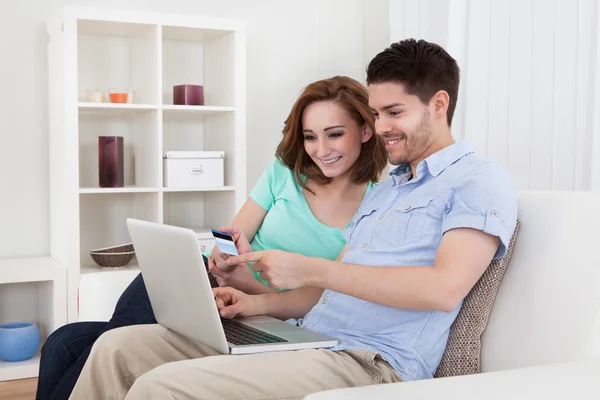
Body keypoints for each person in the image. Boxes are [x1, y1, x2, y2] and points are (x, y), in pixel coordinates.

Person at [68, 38, 518, 400]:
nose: (381, 128)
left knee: (159, 387)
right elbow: (327, 292)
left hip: (372, 363)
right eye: (377, 114)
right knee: (117, 348)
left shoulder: (478, 181)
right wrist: (255, 305)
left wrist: (308, 267)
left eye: (394, 113)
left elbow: (443, 290)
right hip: (310, 337)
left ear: (439, 104)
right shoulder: (388, 191)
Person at [35, 76, 387, 400]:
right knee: (62, 343)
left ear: (366, 131)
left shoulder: (377, 207)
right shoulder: (285, 172)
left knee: (71, 345)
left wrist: (249, 281)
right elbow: (232, 238)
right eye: (310, 136)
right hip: (210, 281)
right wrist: (225, 256)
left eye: (335, 134)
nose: (320, 148)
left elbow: (322, 297)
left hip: (254, 306)